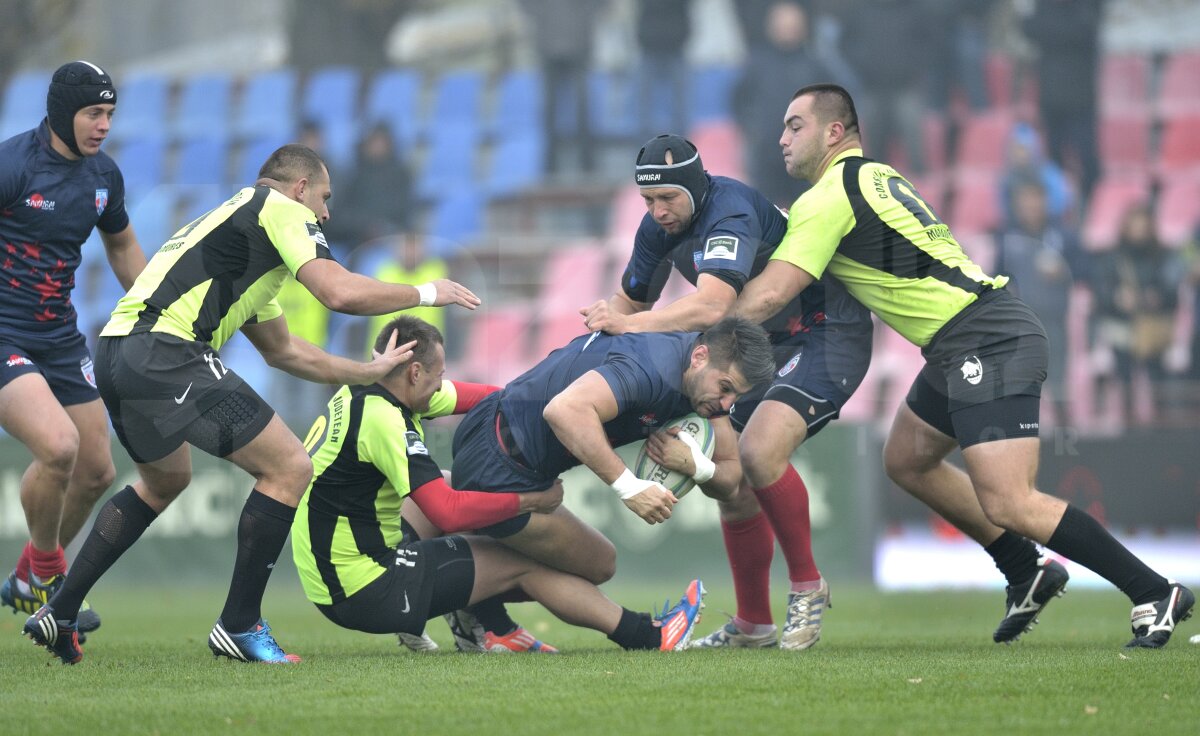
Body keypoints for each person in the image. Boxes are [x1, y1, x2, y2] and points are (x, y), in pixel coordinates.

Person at [734, 83, 1193, 648]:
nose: (782, 138)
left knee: (1010, 500)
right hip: (964, 338)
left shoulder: (829, 196)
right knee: (906, 459)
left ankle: (1154, 591)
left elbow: (769, 295)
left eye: (794, 125)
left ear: (834, 132)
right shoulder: (875, 176)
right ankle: (1025, 569)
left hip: (985, 337)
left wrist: (698, 326)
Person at [23, 143, 482, 665]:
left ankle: (61, 609)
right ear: (300, 189)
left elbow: (283, 351)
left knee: (164, 482)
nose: (327, 214)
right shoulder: (280, 209)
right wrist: (426, 292)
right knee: (289, 467)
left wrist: (365, 372)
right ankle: (239, 624)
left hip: (117, 353)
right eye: (325, 198)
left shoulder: (243, 237)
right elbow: (338, 293)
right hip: (165, 352)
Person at [580, 134, 874, 650]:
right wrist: (583, 356)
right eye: (648, 200)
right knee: (732, 486)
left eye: (667, 197)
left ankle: (808, 585)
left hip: (825, 333)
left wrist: (632, 325)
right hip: (753, 345)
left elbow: (712, 307)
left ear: (695, 187)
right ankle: (754, 624)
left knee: (759, 451)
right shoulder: (657, 227)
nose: (657, 211)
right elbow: (628, 303)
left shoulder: (729, 210)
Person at [292, 315, 706, 653]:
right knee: (522, 561)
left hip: (332, 576)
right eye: (438, 375)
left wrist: (579, 400)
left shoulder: (366, 393)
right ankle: (648, 636)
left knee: (452, 485)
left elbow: (502, 398)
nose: (441, 383)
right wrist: (528, 501)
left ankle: (489, 626)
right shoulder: (385, 421)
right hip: (363, 588)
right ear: (415, 372)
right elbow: (446, 513)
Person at [443, 316, 775, 651]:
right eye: (726, 388)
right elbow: (565, 410)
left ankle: (482, 615)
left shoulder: (703, 387)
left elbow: (729, 480)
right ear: (700, 357)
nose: (727, 404)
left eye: (737, 396)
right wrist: (630, 487)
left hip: (501, 440)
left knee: (598, 562)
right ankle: (647, 635)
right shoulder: (651, 369)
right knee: (581, 562)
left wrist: (697, 466)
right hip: (500, 459)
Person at [0, 62, 147, 639]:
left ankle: (25, 577)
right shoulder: (14, 165)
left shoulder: (103, 175)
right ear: (63, 113)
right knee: (59, 446)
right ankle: (47, 576)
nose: (104, 124)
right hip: (4, 335)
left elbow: (124, 248)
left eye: (110, 113)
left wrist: (161, 310)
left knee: (95, 470)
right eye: (93, 113)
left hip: (59, 338)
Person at [993, 176, 1087, 424]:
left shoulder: (1063, 235)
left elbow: (1085, 270)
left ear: (1046, 201)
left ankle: (1064, 434)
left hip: (1054, 320)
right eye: (1026, 199)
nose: (1031, 205)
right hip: (1020, 323)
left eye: (1036, 198)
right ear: (1017, 204)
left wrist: (1063, 270)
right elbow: (996, 276)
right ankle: (1019, 431)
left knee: (1058, 381)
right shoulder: (1008, 237)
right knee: (1020, 382)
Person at [1092, 202, 1184, 426]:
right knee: (1125, 379)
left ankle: (1161, 423)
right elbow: (1101, 291)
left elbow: (1173, 290)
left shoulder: (1163, 255)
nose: (1139, 230)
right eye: (1135, 225)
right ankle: (1129, 424)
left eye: (1143, 225)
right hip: (1122, 328)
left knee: (1157, 379)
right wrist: (1117, 298)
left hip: (1153, 328)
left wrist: (1157, 297)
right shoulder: (1112, 256)